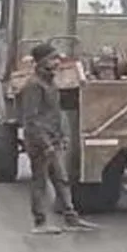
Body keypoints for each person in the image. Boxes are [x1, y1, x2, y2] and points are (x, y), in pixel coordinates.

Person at [19, 43, 97, 234]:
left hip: (52, 139)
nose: (57, 63)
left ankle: (71, 219)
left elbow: (55, 113)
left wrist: (61, 135)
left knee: (61, 179)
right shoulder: (34, 85)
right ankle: (40, 222)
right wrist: (45, 143)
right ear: (43, 61)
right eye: (53, 59)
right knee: (40, 181)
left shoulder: (50, 83)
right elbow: (31, 119)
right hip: (40, 142)